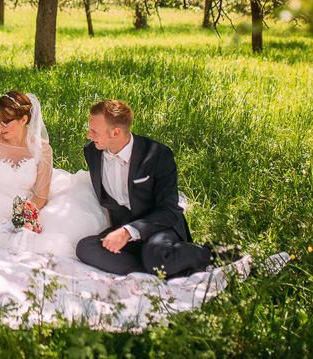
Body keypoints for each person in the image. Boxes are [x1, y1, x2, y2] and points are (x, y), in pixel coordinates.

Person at [0, 91, 108, 255]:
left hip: (27, 204)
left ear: (24, 119)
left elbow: (40, 195)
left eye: (6, 122)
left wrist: (21, 218)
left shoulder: (42, 149)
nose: (0, 126)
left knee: (50, 235)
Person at [76, 100, 214, 277]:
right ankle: (157, 268)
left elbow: (169, 210)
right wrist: (123, 232)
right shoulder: (92, 152)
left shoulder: (158, 155)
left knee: (155, 255)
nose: (88, 135)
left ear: (116, 132)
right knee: (86, 248)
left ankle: (209, 254)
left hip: (160, 226)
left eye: (94, 131)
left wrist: (128, 232)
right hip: (123, 227)